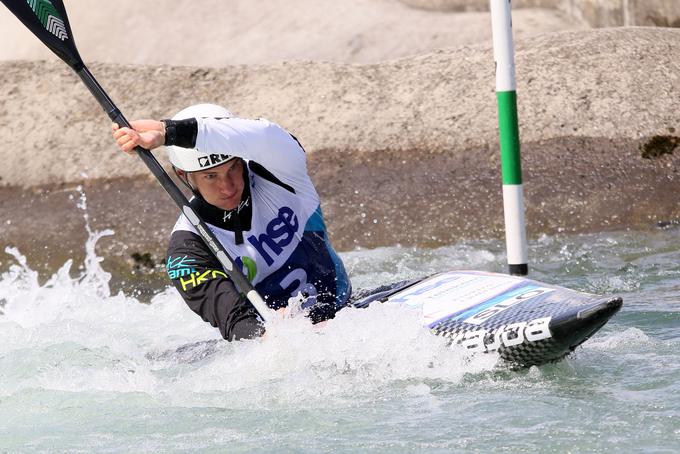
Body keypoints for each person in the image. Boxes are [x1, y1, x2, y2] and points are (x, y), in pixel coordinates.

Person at [112, 103, 351, 340]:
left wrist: (169, 132)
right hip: (283, 342)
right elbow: (236, 322)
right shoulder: (187, 249)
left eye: (233, 168)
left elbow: (267, 134)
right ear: (183, 176)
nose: (227, 187)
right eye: (210, 176)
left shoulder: (280, 174)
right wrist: (271, 335)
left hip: (349, 311)